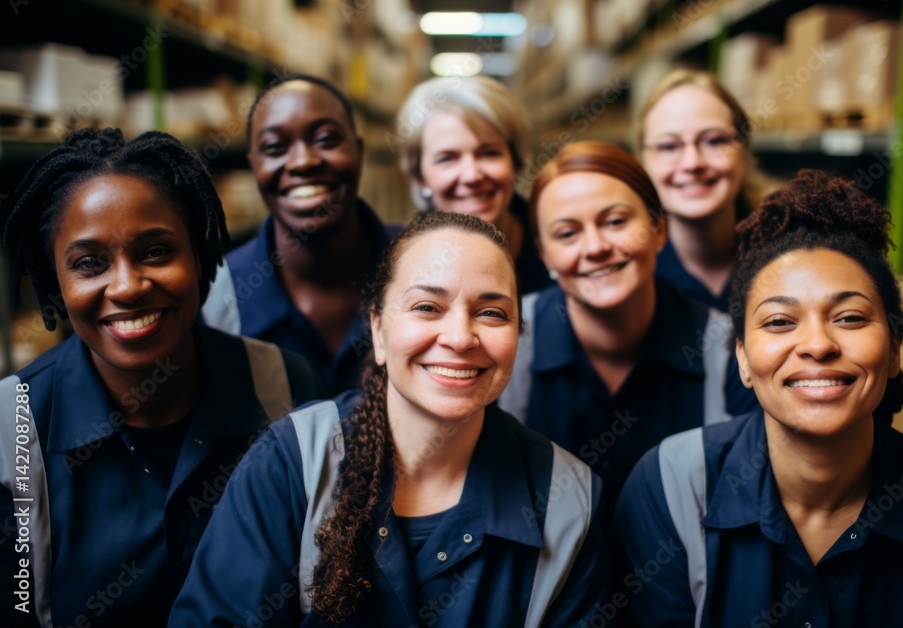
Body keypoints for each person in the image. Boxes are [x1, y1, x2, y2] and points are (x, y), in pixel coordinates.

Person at [170, 212, 608, 627]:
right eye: (426, 307)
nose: (458, 337)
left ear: (517, 336)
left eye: (491, 313)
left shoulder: (570, 501)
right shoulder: (292, 461)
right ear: (378, 330)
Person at [614, 170, 903, 627]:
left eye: (850, 317)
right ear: (741, 357)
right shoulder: (670, 488)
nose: (817, 345)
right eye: (779, 321)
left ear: (895, 347)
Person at [0, 128, 324, 628]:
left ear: (199, 254)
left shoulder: (282, 383)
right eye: (89, 264)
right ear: (53, 282)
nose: (127, 286)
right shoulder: (11, 430)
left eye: (156, 252)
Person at [498, 141, 757, 507]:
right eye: (567, 233)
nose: (596, 247)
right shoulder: (506, 338)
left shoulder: (726, 347)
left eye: (616, 221)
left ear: (659, 230)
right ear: (545, 256)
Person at [201, 74, 394, 396]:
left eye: (326, 139)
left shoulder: (422, 267)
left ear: (359, 152)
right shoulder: (217, 299)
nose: (303, 161)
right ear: (254, 165)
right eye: (275, 147)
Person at [638, 69, 780, 311]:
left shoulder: (791, 250)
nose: (692, 163)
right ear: (643, 160)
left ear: (744, 151)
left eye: (714, 141)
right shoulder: (634, 272)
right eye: (669, 146)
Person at [396, 75, 551, 294]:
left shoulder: (559, 244)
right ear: (420, 176)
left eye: (489, 153)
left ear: (515, 162)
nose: (471, 176)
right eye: (447, 158)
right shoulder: (394, 266)